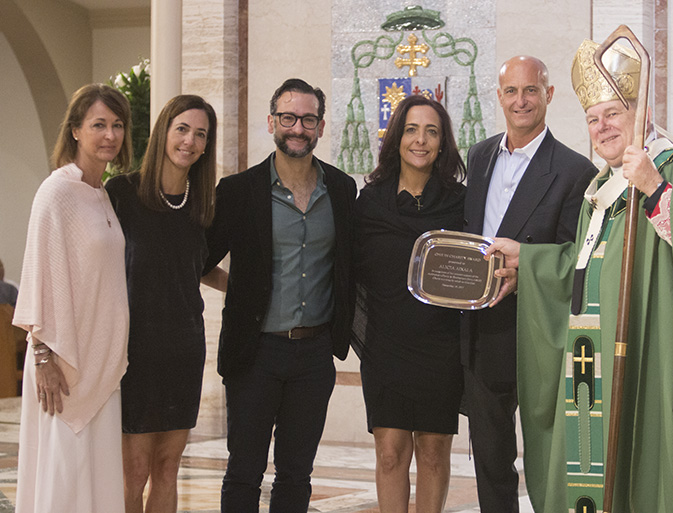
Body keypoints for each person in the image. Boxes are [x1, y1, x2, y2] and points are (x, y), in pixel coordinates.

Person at [486, 40, 673, 513]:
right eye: (593, 119)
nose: (603, 127)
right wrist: (526, 261)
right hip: (598, 363)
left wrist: (654, 188)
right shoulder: (600, 187)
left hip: (652, 357)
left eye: (614, 113)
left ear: (642, 112)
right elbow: (586, 263)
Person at [202, 78, 356, 512]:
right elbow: (199, 260)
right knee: (244, 471)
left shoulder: (342, 190)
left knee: (296, 474)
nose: (297, 128)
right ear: (272, 122)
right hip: (255, 354)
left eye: (308, 119)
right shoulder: (239, 191)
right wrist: (242, 289)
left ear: (321, 127)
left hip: (314, 355)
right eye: (288, 117)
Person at [460, 55, 596, 512]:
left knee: (547, 453)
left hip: (541, 331)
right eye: (512, 91)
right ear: (498, 97)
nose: (522, 101)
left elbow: (580, 258)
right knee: (491, 457)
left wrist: (529, 273)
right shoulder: (478, 156)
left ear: (549, 95)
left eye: (532, 90)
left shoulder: (577, 171)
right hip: (483, 330)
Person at [12, 83, 132, 513]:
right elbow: (38, 274)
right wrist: (42, 356)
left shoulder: (101, 192)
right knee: (64, 475)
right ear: (76, 131)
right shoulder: (56, 192)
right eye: (98, 124)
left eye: (117, 125)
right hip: (62, 363)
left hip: (100, 361)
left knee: (97, 478)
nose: (110, 135)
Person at [105, 94, 219, 513]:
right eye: (182, 129)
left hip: (184, 351)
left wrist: (251, 288)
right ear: (164, 132)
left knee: (168, 469)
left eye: (200, 134)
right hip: (135, 352)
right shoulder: (122, 193)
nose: (189, 141)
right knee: (133, 472)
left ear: (207, 145)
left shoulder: (203, 204)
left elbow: (200, 266)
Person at [353, 94, 466, 513]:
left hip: (441, 348)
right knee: (389, 453)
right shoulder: (371, 203)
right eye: (412, 129)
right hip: (385, 347)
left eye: (431, 131)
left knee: (434, 453)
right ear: (397, 137)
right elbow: (351, 271)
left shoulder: (460, 203)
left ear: (442, 144)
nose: (421, 140)